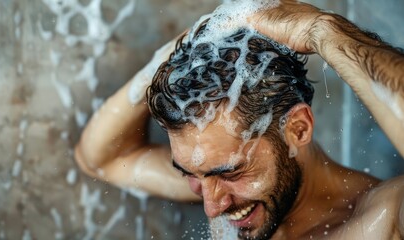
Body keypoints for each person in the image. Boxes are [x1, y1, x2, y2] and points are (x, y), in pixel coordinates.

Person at [75, 0, 404, 239]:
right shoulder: (218, 183)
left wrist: (321, 30)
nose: (211, 207)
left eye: (231, 172)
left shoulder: (382, 221)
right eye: (191, 174)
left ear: (298, 129)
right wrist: (176, 54)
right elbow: (102, 158)